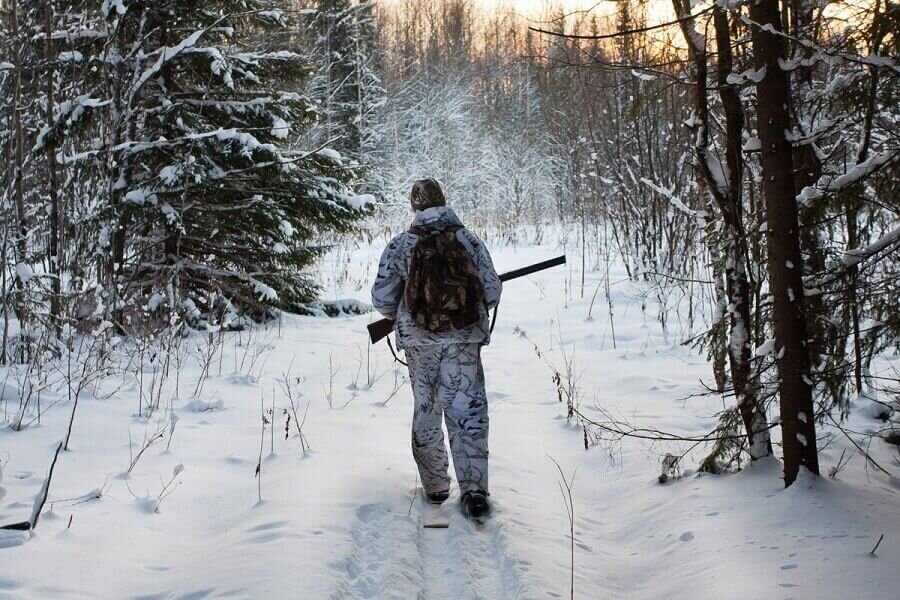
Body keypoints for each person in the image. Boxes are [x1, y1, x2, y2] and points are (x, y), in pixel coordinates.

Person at [371, 178, 501, 519]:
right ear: (444, 201)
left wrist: (408, 314)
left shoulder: (402, 245)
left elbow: (381, 297)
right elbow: (492, 290)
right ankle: (474, 491)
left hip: (420, 345)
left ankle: (435, 487)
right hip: (464, 342)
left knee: (427, 409)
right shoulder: (468, 240)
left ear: (415, 207)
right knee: (468, 411)